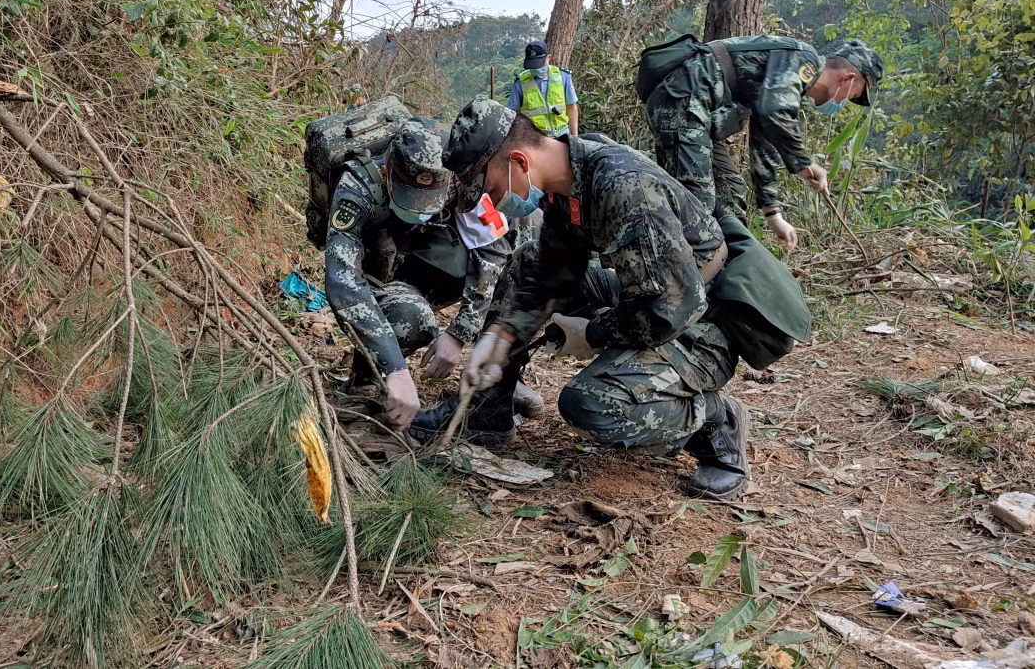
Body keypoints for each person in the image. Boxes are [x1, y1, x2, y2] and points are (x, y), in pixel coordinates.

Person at [415, 97, 810, 500]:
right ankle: (487, 411)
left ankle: (715, 421)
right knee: (528, 262)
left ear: (518, 162)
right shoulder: (568, 178)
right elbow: (554, 271)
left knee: (592, 404)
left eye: (491, 188)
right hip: (650, 293)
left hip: (704, 321)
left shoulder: (623, 186)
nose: (493, 201)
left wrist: (592, 332)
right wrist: (500, 337)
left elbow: (667, 310)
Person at [323, 116, 540, 430]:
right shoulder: (357, 188)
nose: (420, 210)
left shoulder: (459, 175)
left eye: (428, 203)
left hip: (430, 260)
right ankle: (368, 374)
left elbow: (492, 252)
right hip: (383, 275)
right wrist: (395, 369)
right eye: (410, 200)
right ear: (386, 174)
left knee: (520, 259)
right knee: (409, 318)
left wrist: (458, 335)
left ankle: (493, 384)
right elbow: (343, 282)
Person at [640, 36, 883, 249]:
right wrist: (804, 164)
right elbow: (773, 112)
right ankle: (677, 282)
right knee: (697, 207)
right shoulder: (803, 59)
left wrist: (773, 213)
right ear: (848, 78)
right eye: (854, 95)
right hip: (682, 103)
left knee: (731, 194)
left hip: (697, 114)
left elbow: (764, 138)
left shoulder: (788, 83)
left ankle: (731, 273)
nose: (846, 101)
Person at [508, 40, 580, 138]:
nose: (536, 67)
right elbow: (513, 113)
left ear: (548, 58)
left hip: (562, 136)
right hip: (534, 139)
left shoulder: (563, 76)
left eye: (539, 63)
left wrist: (575, 136)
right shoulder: (520, 82)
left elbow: (571, 106)